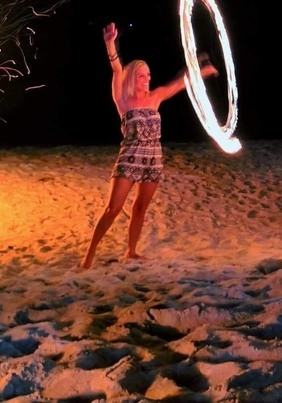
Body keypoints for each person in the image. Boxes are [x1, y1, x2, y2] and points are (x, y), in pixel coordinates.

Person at [80, 22, 218, 268]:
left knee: (141, 207)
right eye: (141, 76)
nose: (146, 80)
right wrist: (111, 44)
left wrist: (201, 71)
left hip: (153, 158)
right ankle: (89, 255)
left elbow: (180, 83)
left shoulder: (155, 97)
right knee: (113, 208)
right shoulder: (122, 98)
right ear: (133, 77)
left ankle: (131, 251)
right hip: (129, 158)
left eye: (149, 76)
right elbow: (116, 69)